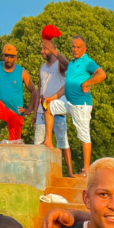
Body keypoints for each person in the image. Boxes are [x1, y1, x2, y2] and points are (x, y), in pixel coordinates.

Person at [51, 36, 105, 173]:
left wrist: (87, 83)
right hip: (68, 102)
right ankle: (47, 142)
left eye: (78, 47)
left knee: (84, 135)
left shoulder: (87, 62)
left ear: (84, 49)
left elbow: (101, 74)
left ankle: (86, 170)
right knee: (49, 108)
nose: (75, 49)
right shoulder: (72, 63)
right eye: (73, 47)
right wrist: (50, 97)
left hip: (81, 104)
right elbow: (67, 85)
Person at [35, 28, 72, 177]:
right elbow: (40, 88)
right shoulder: (42, 67)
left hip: (56, 109)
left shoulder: (59, 65)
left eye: (45, 49)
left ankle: (69, 173)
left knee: (63, 143)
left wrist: (53, 50)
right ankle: (39, 174)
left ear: (52, 49)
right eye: (42, 49)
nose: (42, 52)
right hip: (41, 111)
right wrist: (35, 111)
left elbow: (68, 64)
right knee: (39, 143)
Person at [0, 43, 33, 144]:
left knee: (15, 143)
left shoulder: (22, 72)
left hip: (16, 111)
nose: (9, 59)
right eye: (6, 56)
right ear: (3, 56)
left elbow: (34, 91)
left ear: (15, 57)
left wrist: (29, 108)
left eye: (11, 56)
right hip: (2, 107)